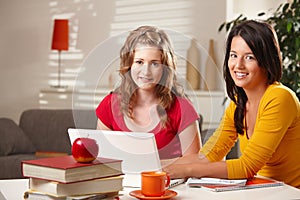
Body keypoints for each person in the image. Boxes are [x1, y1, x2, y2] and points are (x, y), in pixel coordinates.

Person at [163, 20, 300, 188]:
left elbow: (247, 166)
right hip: (263, 189)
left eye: (249, 57)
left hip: (290, 192)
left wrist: (188, 170)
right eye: (233, 55)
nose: (238, 65)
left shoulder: (280, 98)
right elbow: (210, 154)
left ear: (266, 61)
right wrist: (160, 169)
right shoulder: (238, 104)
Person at [96, 25, 201, 159]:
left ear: (165, 67)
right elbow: (102, 158)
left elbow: (193, 164)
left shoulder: (182, 108)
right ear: (129, 65)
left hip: (166, 179)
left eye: (155, 63)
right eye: (139, 62)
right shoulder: (109, 104)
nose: (146, 72)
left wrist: (156, 169)